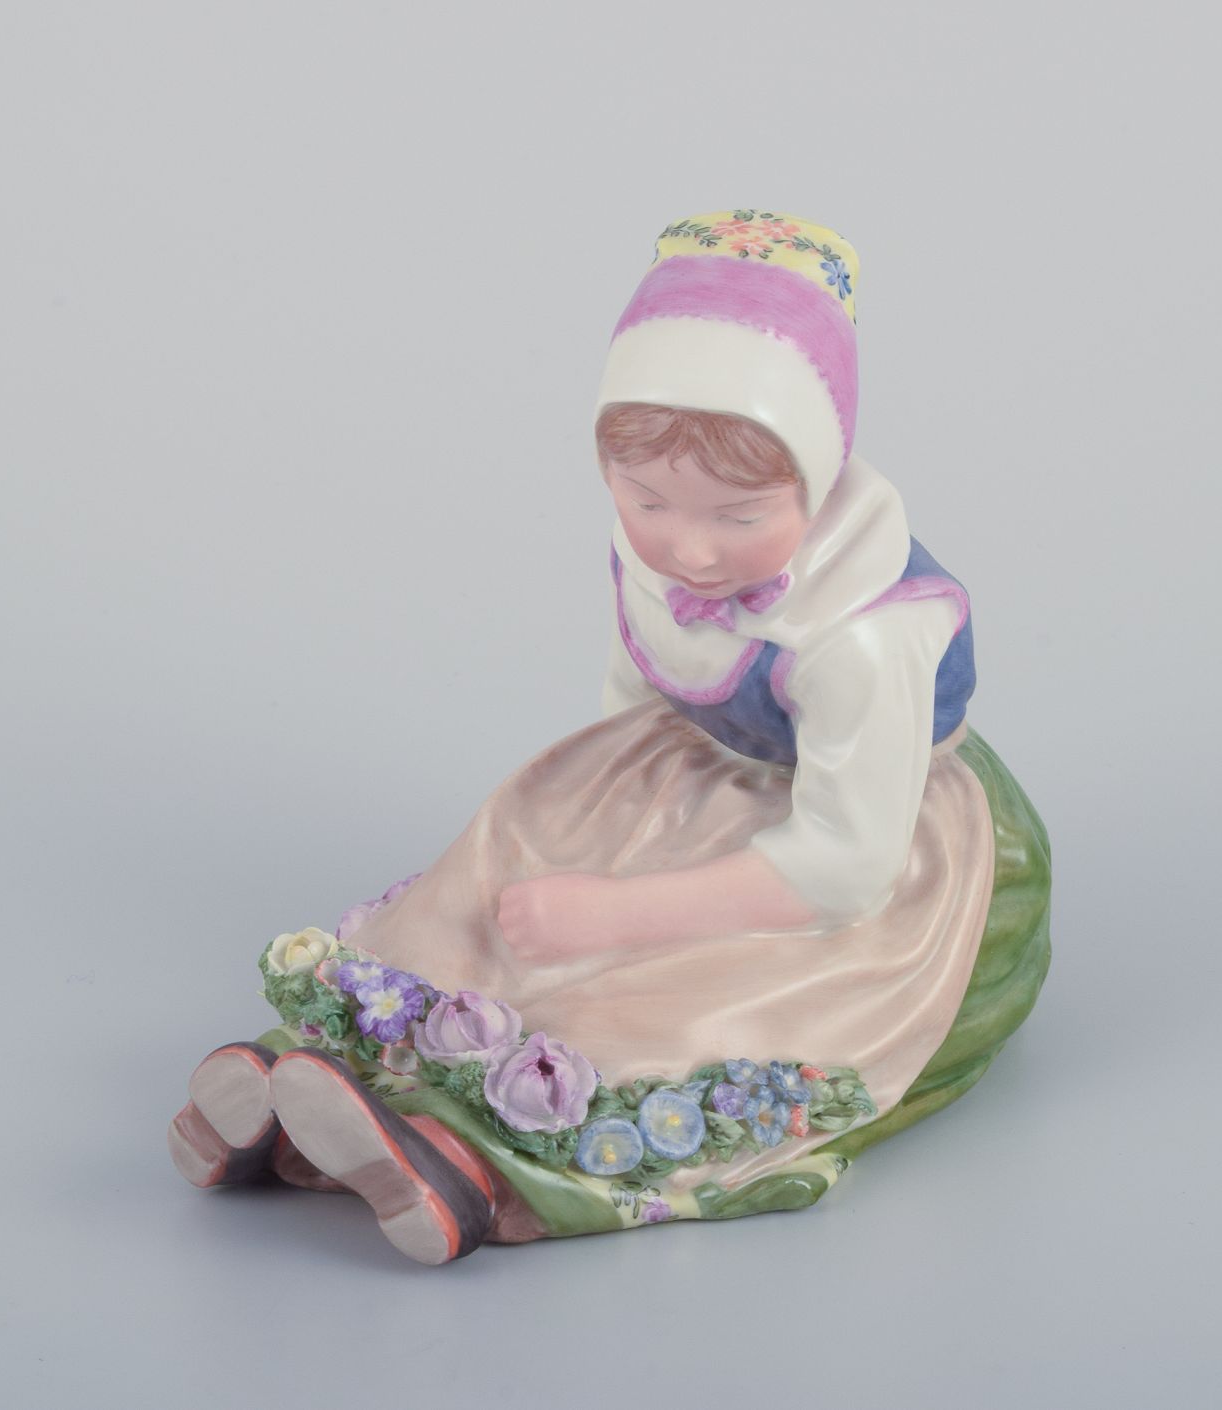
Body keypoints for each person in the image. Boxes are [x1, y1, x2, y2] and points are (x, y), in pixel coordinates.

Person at [169, 210, 1051, 1265]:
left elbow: (841, 867)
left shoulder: (862, 638)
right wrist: (597, 823)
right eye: (647, 501)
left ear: (817, 483)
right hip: (694, 773)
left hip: (852, 841)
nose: (689, 550)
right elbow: (640, 686)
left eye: (740, 516)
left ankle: (478, 1160)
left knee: (670, 995)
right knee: (489, 888)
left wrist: (618, 907)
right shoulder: (663, 554)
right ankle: (313, 1083)